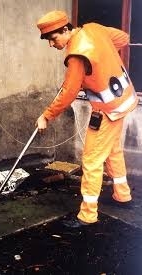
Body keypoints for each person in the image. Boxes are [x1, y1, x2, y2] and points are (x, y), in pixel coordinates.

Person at [35, 10, 138, 227]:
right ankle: (123, 195)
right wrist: (101, 59)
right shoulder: (94, 29)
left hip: (108, 110)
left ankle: (88, 215)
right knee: (112, 151)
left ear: (65, 30)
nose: (52, 45)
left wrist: (46, 116)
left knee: (91, 161)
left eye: (53, 39)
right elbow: (123, 38)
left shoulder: (77, 55)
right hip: (125, 101)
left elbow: (68, 93)